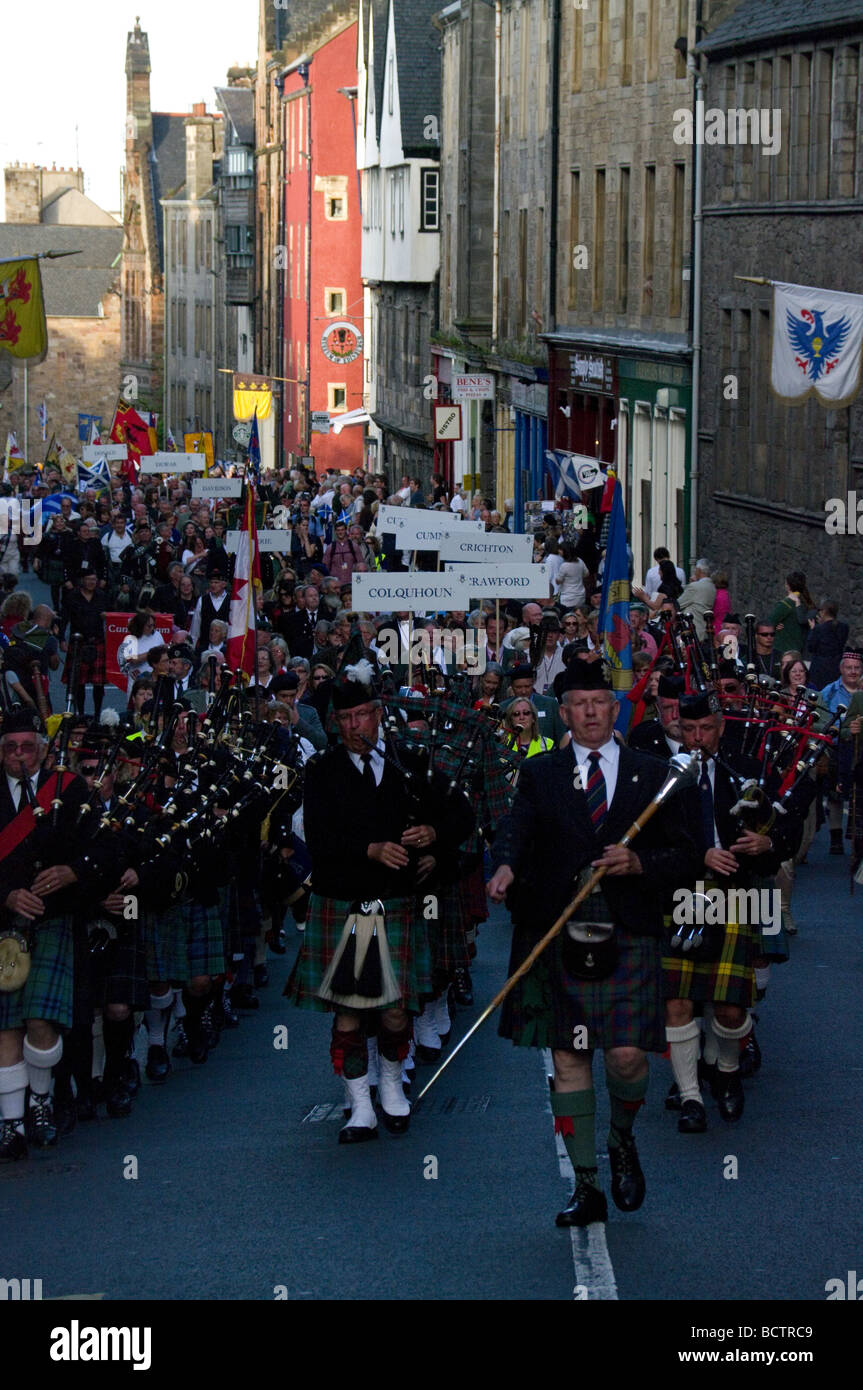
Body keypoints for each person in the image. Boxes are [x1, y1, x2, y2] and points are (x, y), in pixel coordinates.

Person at [487, 662, 701, 1227]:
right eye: (578, 702)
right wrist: (505, 865)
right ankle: (586, 1185)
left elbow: (686, 855)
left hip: (627, 923)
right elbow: (516, 828)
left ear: (615, 709)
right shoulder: (542, 773)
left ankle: (622, 1137)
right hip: (558, 923)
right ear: (564, 712)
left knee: (629, 1055)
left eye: (599, 701)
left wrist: (639, 861)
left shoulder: (653, 773)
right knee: (568, 1055)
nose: (589, 711)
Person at [284, 659, 473, 1144]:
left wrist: (435, 837)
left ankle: (391, 1085)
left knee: (393, 1012)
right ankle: (360, 1105)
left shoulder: (408, 763)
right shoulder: (321, 772)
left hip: (396, 903)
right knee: (348, 1015)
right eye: (345, 719)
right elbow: (318, 839)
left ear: (377, 714)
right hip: (343, 901)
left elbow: (461, 815)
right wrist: (367, 849)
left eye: (362, 716)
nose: (353, 727)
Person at [662, 691, 792, 1134]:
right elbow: (653, 841)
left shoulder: (749, 771)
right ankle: (690, 1096)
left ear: (720, 727)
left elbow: (785, 827)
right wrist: (701, 855)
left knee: (731, 1007)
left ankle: (726, 1071)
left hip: (736, 894)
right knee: (678, 999)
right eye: (690, 730)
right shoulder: (665, 775)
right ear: (679, 729)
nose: (699, 739)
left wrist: (767, 843)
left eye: (707, 729)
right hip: (682, 893)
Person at [0, 710, 113, 1160]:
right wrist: (6, 896)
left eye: (29, 747)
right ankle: (11, 1124)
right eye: (11, 748)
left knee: (40, 1020)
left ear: (43, 750)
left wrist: (73, 872)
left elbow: (106, 846)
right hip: (5, 923)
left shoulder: (68, 790)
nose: (20, 756)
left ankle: (41, 1104)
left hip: (53, 919)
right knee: (5, 1026)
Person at [60, 571, 108, 719]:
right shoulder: (72, 596)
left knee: (99, 684)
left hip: (98, 641)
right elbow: (64, 619)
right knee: (78, 682)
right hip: (78, 642)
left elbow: (113, 616)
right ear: (82, 580)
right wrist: (61, 639)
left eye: (94, 579)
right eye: (88, 579)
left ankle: (97, 714)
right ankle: (79, 714)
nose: (91, 582)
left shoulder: (102, 596)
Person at [770, 571, 816, 656]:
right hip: (800, 651)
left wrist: (774, 627)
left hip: (784, 650)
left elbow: (769, 624)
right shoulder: (808, 604)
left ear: (787, 586)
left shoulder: (785, 605)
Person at [806, 601, 849, 690]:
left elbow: (811, 647)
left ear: (824, 611)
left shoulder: (818, 629)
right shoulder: (844, 627)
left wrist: (812, 629)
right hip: (836, 667)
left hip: (820, 670)